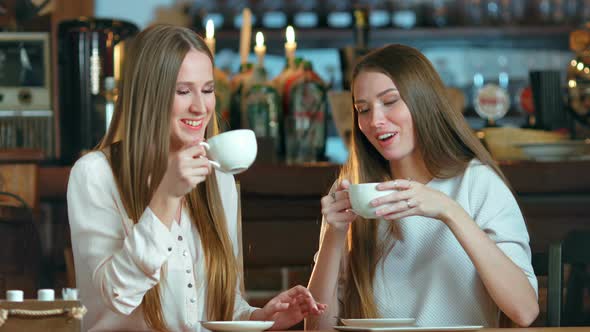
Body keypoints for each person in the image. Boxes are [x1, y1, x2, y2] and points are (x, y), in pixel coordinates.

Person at [67, 24, 325, 332]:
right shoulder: (95, 174)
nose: (200, 107)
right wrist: (165, 198)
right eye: (183, 91)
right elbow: (117, 296)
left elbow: (222, 306)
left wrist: (260, 319)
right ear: (149, 95)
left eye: (207, 90)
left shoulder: (218, 179)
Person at [306, 44, 539, 329]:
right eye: (363, 109)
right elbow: (317, 329)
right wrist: (334, 235)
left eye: (390, 101)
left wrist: (448, 210)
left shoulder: (477, 183)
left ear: (423, 102)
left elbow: (525, 310)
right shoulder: (354, 192)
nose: (375, 120)